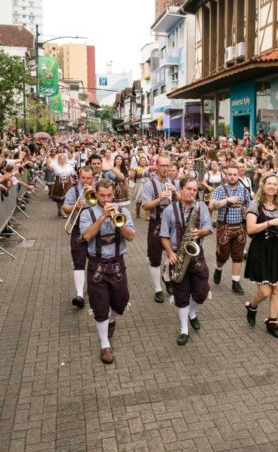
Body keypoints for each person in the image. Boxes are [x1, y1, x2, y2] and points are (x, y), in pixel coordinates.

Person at [79, 179, 135, 364]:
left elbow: (131, 237)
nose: (105, 199)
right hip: (97, 264)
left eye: (109, 195)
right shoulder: (87, 212)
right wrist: (103, 217)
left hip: (118, 263)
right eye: (102, 195)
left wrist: (119, 223)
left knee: (119, 301)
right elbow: (86, 236)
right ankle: (105, 345)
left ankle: (111, 320)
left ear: (114, 194)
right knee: (100, 305)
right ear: (96, 194)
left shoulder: (123, 212)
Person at [160, 177, 213, 346]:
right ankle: (184, 329)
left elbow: (209, 228)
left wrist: (201, 232)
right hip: (177, 254)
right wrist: (169, 253)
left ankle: (192, 312)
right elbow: (164, 235)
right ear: (180, 189)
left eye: (195, 190)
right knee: (181, 295)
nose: (192, 192)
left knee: (202, 292)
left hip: (196, 254)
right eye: (188, 189)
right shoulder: (169, 210)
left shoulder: (201, 206)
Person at [243, 174, 278, 338]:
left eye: (275, 184)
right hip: (261, 249)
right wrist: (269, 223)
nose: (272, 186)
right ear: (263, 186)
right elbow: (250, 229)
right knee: (265, 292)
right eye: (269, 184)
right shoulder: (255, 205)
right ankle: (252, 306)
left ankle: (272, 321)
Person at [141, 155, 180, 303]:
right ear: (156, 166)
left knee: (172, 255)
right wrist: (160, 199)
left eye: (167, 166)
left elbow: (179, 203)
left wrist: (175, 193)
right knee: (155, 257)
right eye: (162, 165)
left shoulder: (173, 182)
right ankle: (157, 289)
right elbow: (145, 206)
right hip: (156, 223)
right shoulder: (149, 185)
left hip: (172, 224)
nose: (165, 168)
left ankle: (167, 278)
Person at [209, 164, 251, 294]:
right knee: (223, 255)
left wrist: (246, 211)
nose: (232, 177)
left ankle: (235, 282)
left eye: (235, 174)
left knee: (238, 256)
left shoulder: (244, 191)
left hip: (240, 227)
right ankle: (218, 268)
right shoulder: (220, 190)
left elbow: (249, 208)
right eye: (230, 174)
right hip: (224, 227)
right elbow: (211, 206)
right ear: (226, 175)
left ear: (239, 175)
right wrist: (226, 200)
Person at [61, 166, 95, 308]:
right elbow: (65, 208)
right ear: (79, 177)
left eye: (88, 178)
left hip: (94, 229)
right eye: (83, 178)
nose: (86, 181)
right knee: (79, 261)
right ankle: (80, 294)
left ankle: (94, 289)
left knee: (95, 259)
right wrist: (75, 205)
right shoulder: (73, 190)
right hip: (78, 230)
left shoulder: (98, 189)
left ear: (93, 178)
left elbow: (106, 205)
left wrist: (93, 194)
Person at [48, 153, 75, 217]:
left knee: (66, 197)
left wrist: (72, 177)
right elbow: (48, 165)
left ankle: (64, 211)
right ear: (58, 159)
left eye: (63, 158)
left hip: (67, 183)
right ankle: (59, 209)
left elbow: (73, 173)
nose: (62, 160)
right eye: (61, 158)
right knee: (59, 199)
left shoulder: (69, 165)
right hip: (59, 183)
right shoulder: (55, 165)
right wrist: (50, 157)